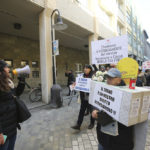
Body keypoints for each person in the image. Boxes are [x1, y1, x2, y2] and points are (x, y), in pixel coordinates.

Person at [92, 68, 134, 150]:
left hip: (119, 142)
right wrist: (94, 110)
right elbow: (95, 102)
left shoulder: (126, 95)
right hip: (103, 138)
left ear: (119, 80)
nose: (108, 80)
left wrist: (99, 115)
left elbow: (119, 118)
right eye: (107, 77)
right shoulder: (103, 88)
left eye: (111, 78)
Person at [0, 60, 25, 150]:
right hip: (3, 131)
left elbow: (16, 93)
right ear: (1, 71)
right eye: (6, 67)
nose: (8, 69)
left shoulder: (8, 82)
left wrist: (22, 80)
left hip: (12, 127)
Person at [71, 65, 95, 130]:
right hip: (83, 96)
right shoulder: (81, 76)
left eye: (87, 68)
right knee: (82, 110)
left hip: (91, 97)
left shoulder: (93, 76)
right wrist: (75, 84)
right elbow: (79, 83)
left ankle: (92, 123)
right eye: (84, 68)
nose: (85, 69)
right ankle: (78, 125)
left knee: (91, 110)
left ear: (90, 69)